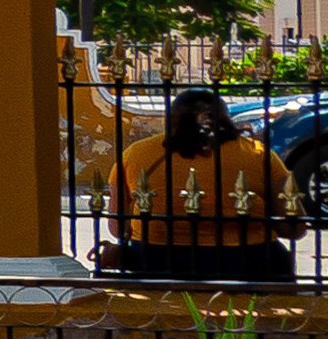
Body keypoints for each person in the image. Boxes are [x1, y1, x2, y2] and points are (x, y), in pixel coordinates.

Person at [102, 86, 300, 282]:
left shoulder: (137, 153)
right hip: (247, 260)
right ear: (224, 118)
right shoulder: (257, 154)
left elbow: (118, 227)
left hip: (157, 260)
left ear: (171, 119)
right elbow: (294, 228)